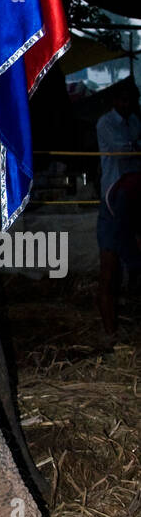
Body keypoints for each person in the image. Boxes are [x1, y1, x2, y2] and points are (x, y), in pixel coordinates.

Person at [95, 81, 141, 341]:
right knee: (109, 268)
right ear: (115, 101)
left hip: (133, 197)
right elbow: (123, 150)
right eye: (122, 100)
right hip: (114, 198)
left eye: (130, 101)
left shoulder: (134, 121)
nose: (126, 106)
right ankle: (109, 333)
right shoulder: (105, 123)